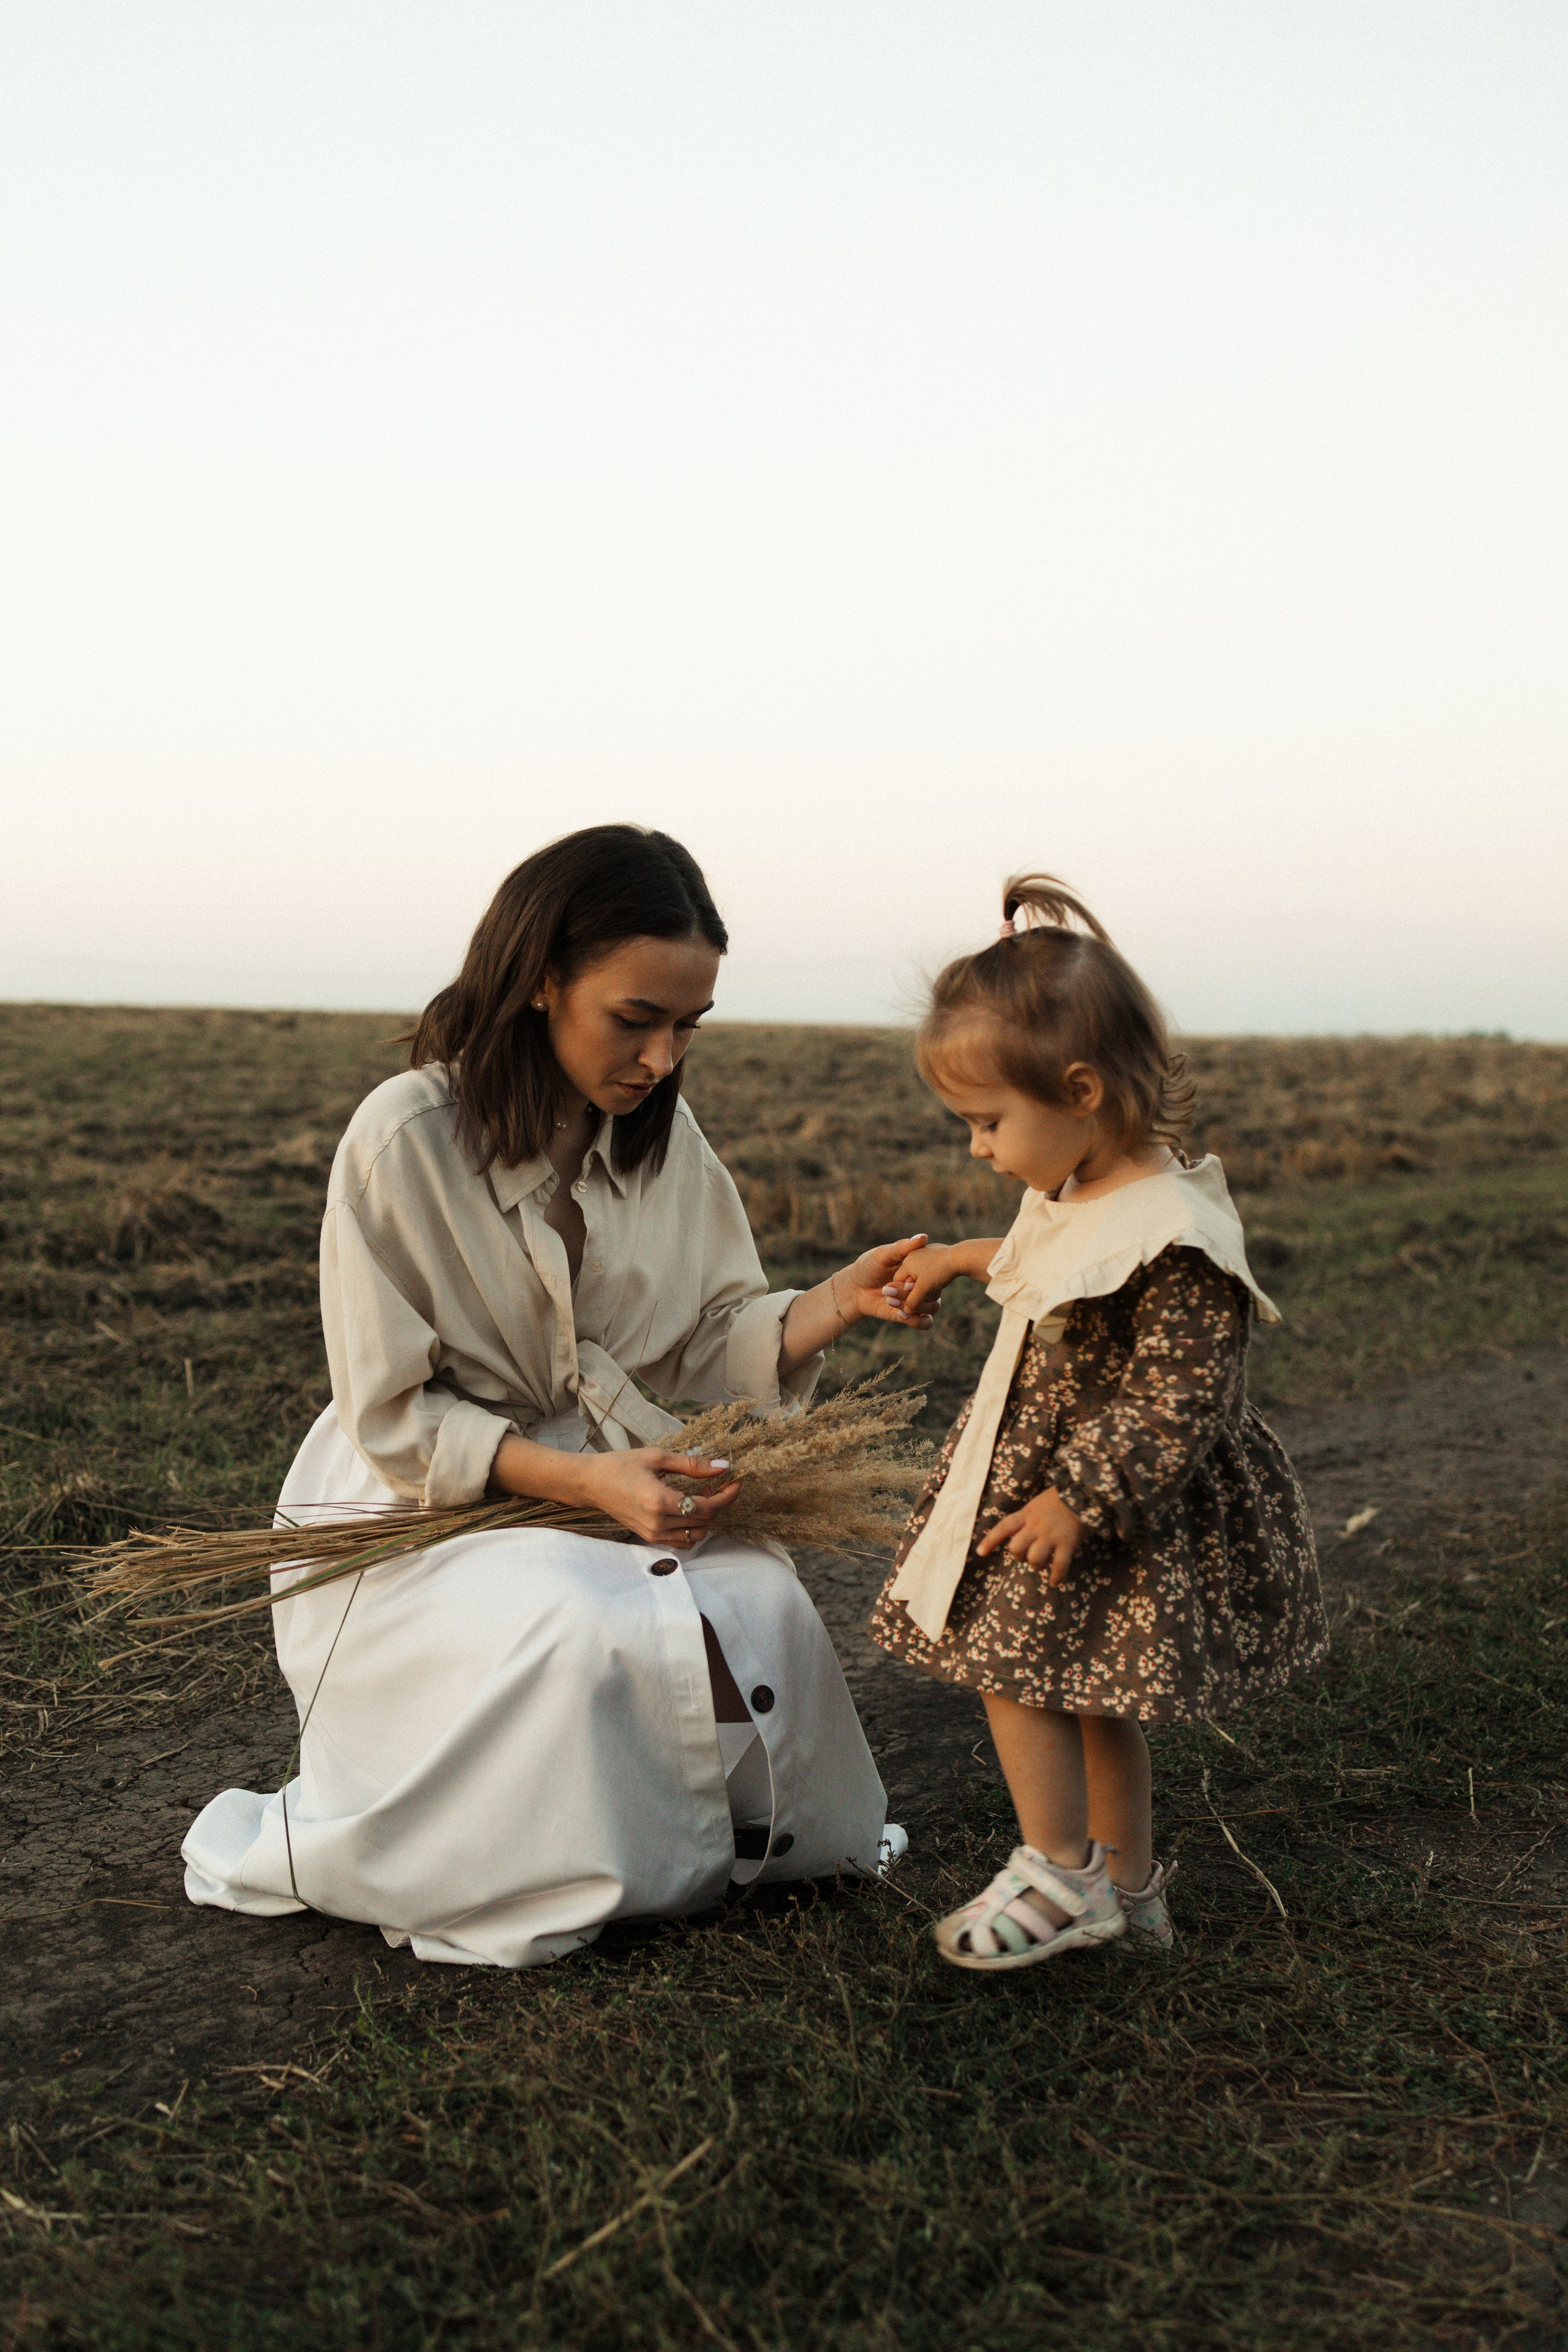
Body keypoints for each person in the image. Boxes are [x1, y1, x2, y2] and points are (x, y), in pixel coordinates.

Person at [183, 825, 932, 1967]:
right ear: (540, 978)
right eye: (636, 1019)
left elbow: (698, 1345)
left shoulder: (665, 1146)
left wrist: (831, 1300)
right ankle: (546, 1857)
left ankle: (693, 1845)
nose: (663, 1058)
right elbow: (394, 1415)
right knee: (576, 1627)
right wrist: (584, 1479)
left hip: (607, 1466)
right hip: (425, 1498)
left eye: (688, 1026)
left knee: (762, 1605)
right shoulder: (405, 1137)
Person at [868, 873, 1327, 1970]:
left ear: (1079, 1090)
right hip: (1058, 1488)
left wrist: (1081, 1496)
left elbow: (1183, 1395)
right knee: (1089, 1694)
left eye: (987, 1122)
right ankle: (1128, 1892)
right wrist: (961, 1259)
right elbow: (1049, 1268)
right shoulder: (1076, 1186)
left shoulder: (1175, 1232)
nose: (978, 1147)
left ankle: (1058, 1870)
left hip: (1101, 1502)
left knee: (1011, 1666)